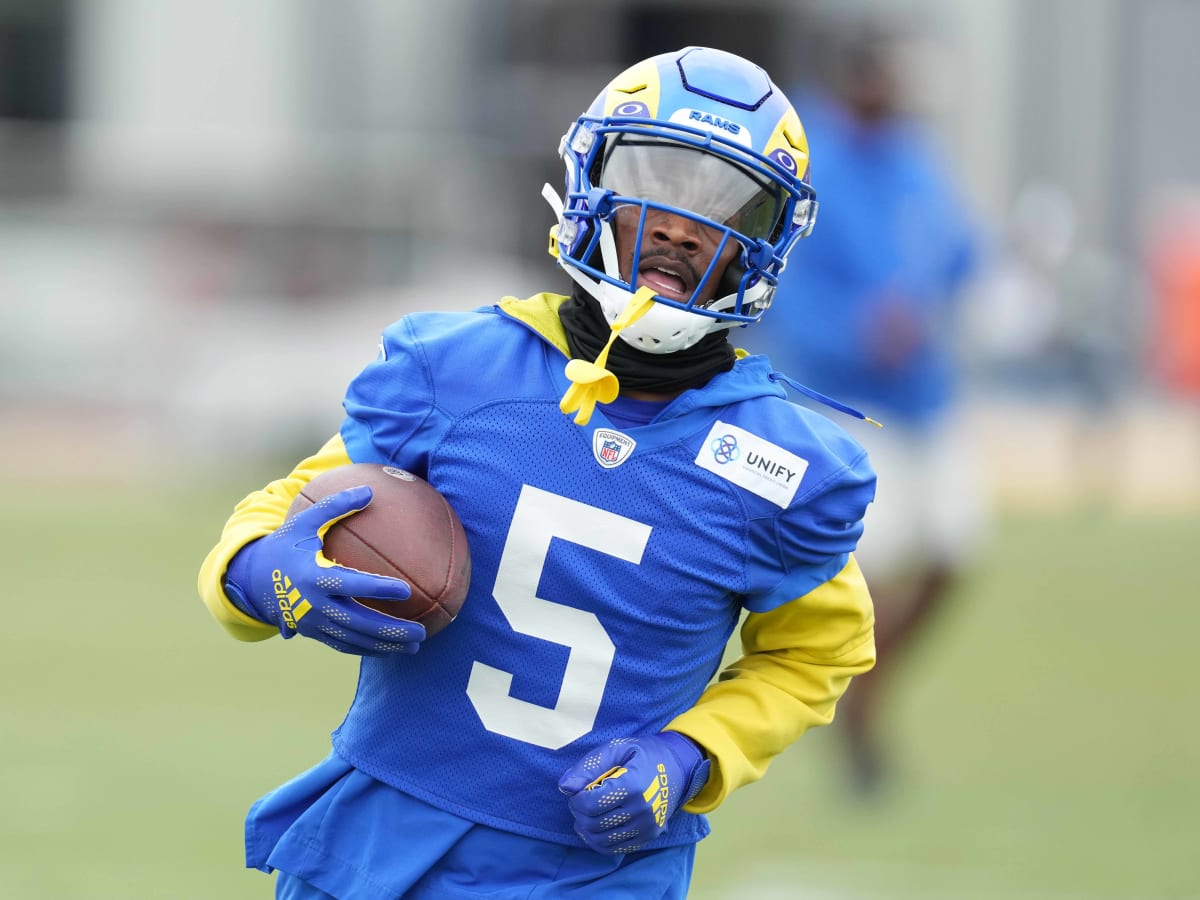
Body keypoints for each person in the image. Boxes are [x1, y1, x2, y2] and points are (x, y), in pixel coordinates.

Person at [198, 46, 877, 899]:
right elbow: (278, 515)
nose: (678, 223)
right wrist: (264, 575)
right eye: (657, 179)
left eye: (724, 200)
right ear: (590, 182)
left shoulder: (785, 468)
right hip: (382, 851)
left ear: (768, 242)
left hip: (592, 876)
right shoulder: (454, 369)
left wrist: (693, 753)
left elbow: (820, 653)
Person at [742, 22, 986, 795]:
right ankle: (851, 710)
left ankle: (871, 693)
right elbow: (780, 292)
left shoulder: (912, 156)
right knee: (867, 569)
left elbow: (957, 249)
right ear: (858, 77)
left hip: (924, 394)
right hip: (841, 400)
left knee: (957, 552)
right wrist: (861, 328)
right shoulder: (808, 161)